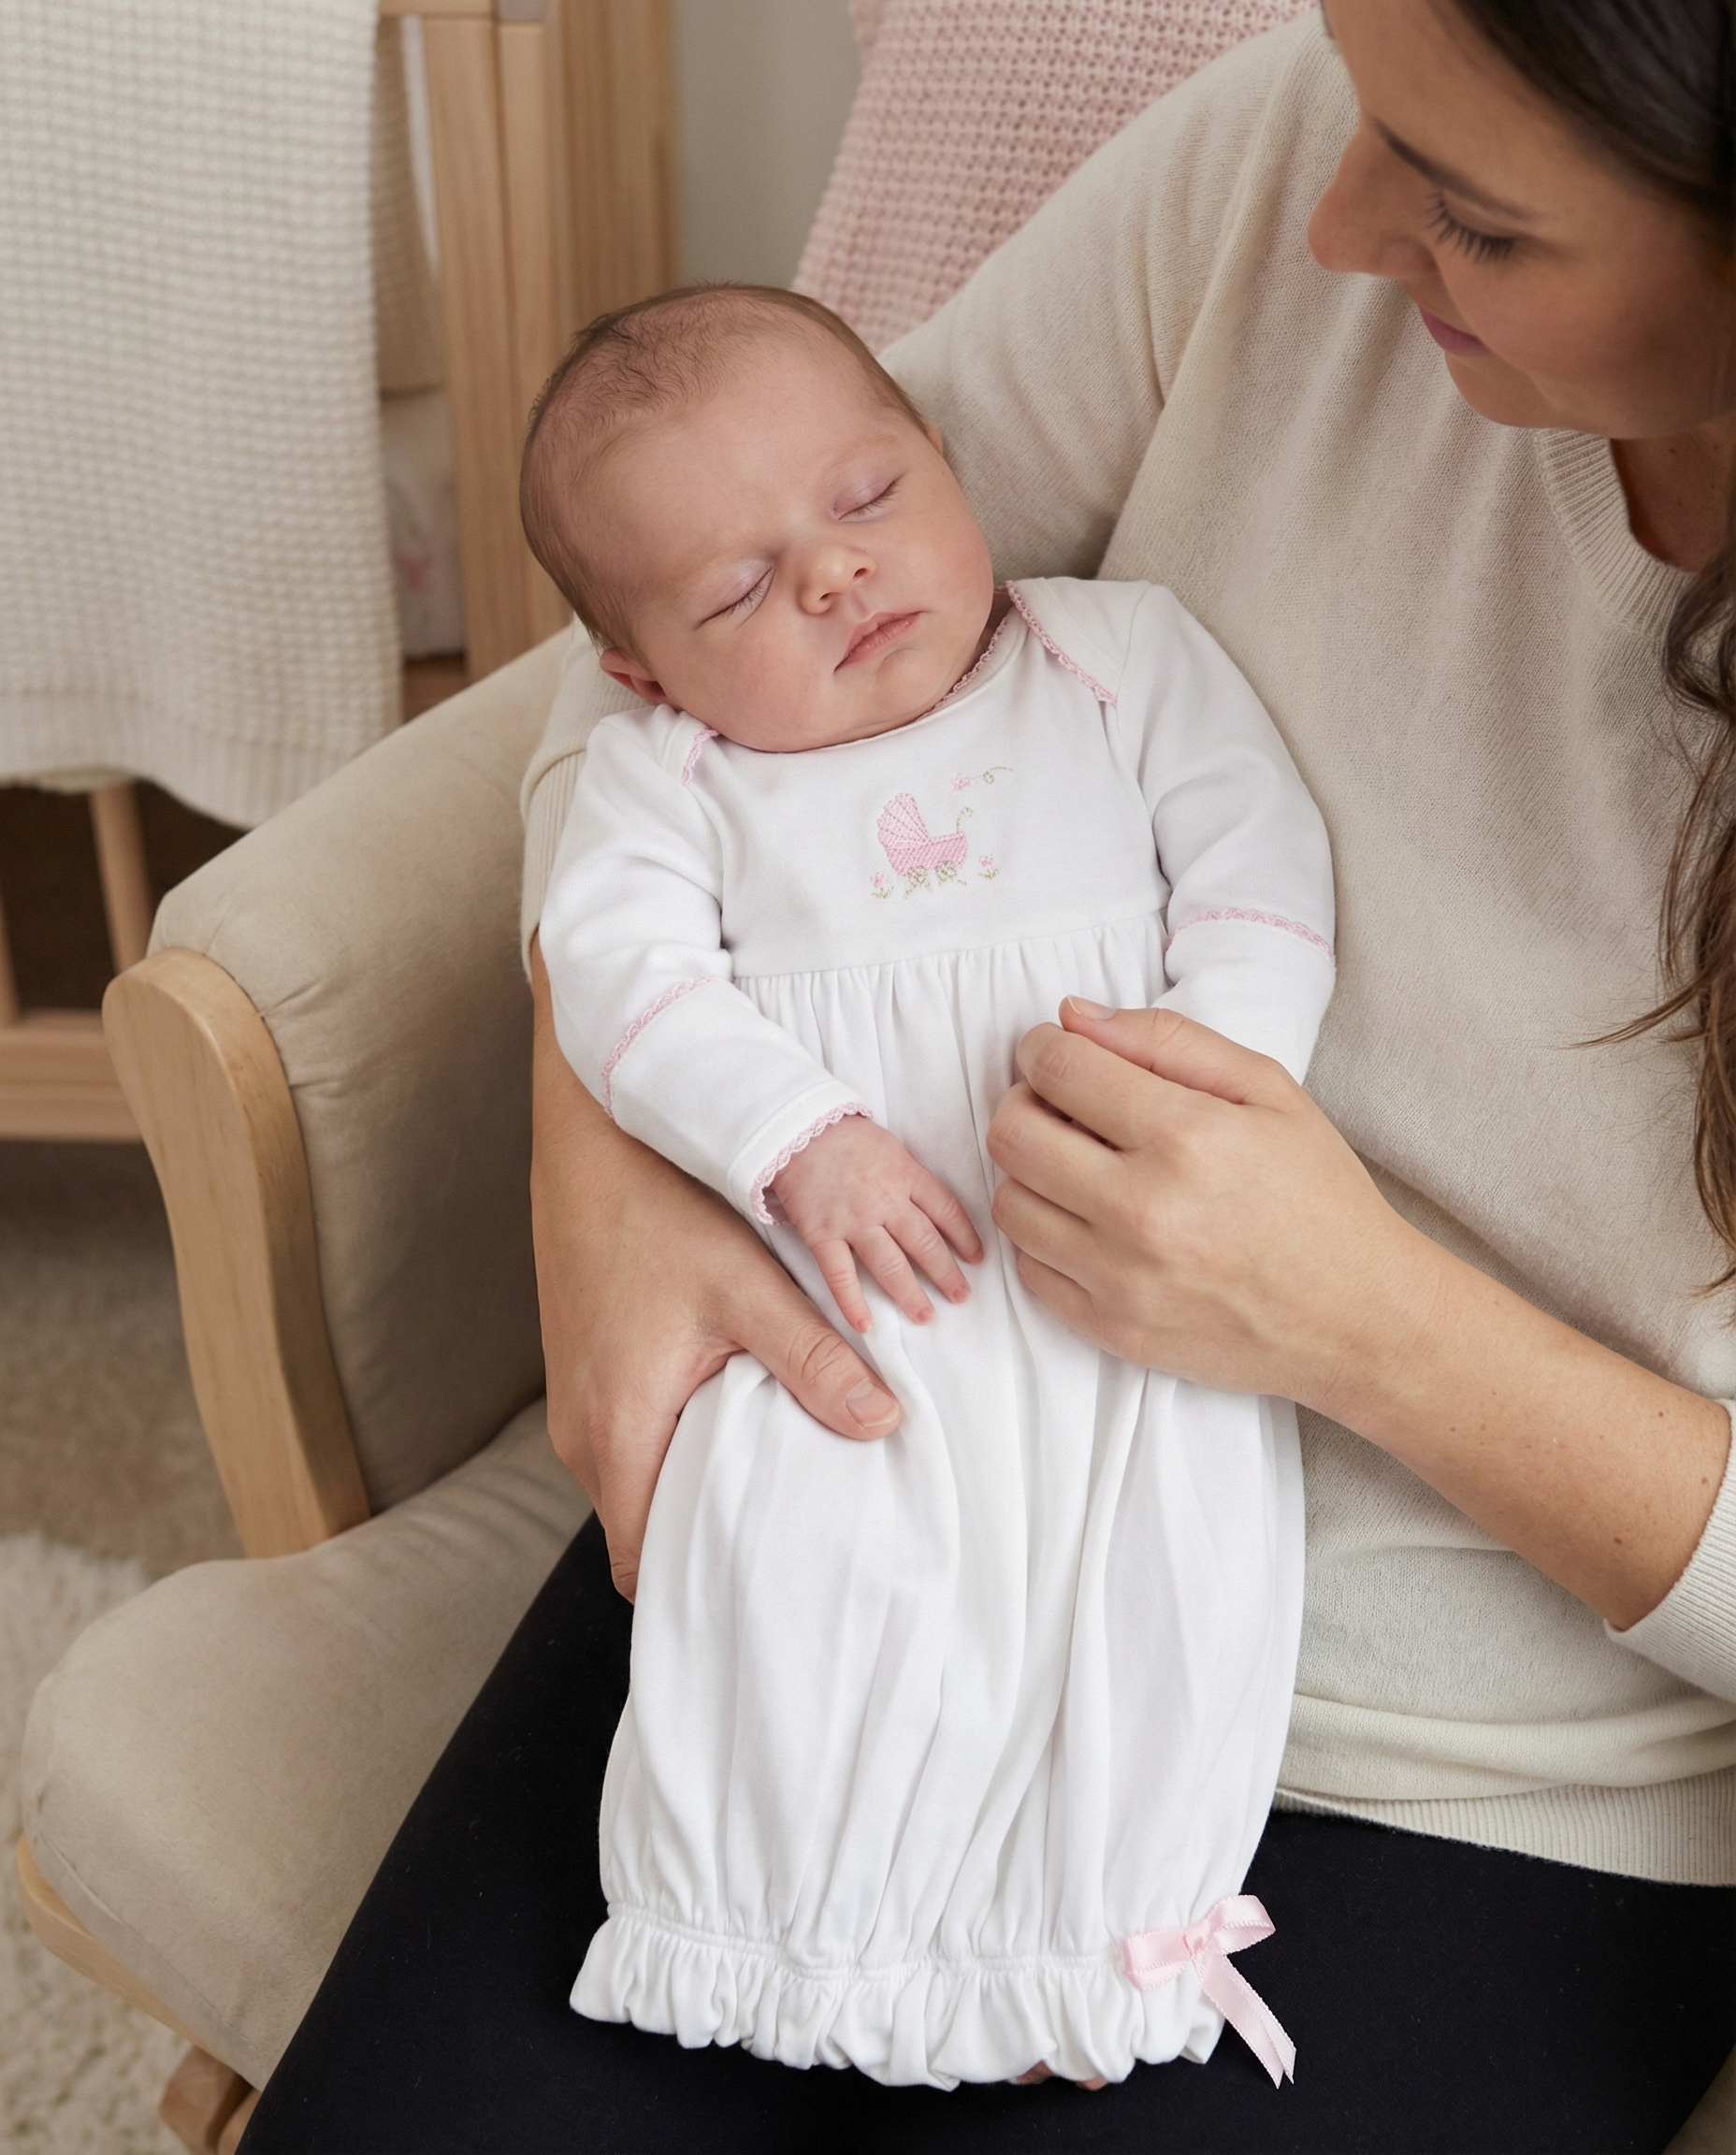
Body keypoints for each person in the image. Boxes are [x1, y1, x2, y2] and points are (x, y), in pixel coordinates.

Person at [241, 4, 1736, 2148]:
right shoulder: (1295, 167)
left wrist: (1363, 1319)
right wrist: (628, 1171)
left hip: (1481, 1782)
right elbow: (671, 629)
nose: (1327, 222)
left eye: (1474, 220)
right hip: (856, 1497)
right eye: (1356, 105)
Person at [527, 283, 1337, 2090]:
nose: (827, 575)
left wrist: (1212, 1085)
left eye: (868, 497)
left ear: (950, 461)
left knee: (1156, 1582)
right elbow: (622, 983)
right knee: (802, 1588)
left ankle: (1086, 1946)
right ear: (644, 671)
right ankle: (781, 1933)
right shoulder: (668, 780)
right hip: (849, 1308)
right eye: (733, 591)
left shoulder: (1113, 659)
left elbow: (1261, 875)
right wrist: (794, 1137)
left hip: (1121, 1273)